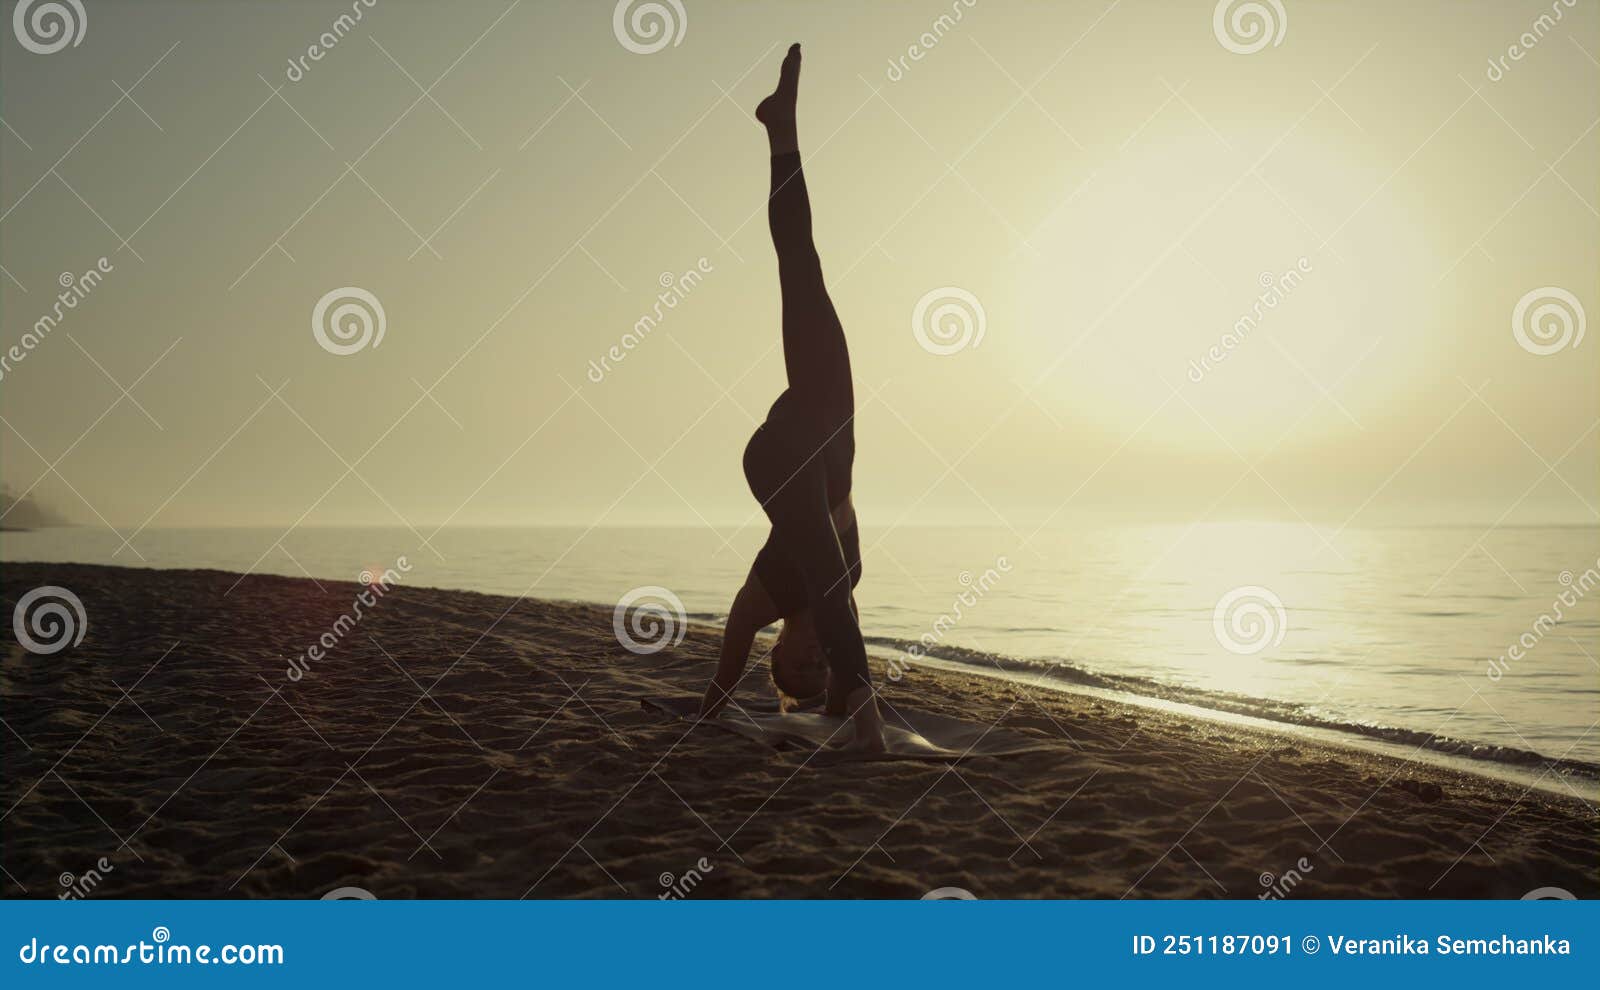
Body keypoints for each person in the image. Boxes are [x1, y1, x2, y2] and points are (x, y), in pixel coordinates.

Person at [696, 44, 886, 753]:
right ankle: (782, 130)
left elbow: (726, 668)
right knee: (802, 266)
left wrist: (707, 713)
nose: (807, 658)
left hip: (777, 458)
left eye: (792, 667)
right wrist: (844, 700)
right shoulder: (844, 604)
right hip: (826, 418)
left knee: (823, 577)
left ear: (774, 655)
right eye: (817, 668)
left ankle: (782, 129)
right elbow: (842, 631)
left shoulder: (762, 601)